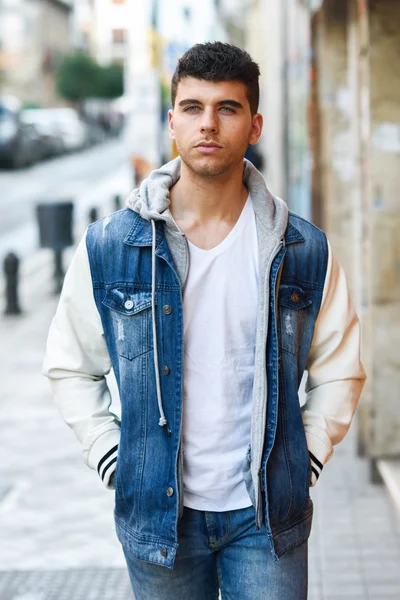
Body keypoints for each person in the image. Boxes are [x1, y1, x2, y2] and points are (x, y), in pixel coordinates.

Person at [43, 42, 366, 599]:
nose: (208, 124)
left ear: (255, 125)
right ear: (172, 121)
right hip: (159, 515)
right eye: (192, 108)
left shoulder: (302, 250)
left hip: (266, 515)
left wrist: (304, 460)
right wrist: (113, 458)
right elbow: (70, 367)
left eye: (228, 108)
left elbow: (340, 369)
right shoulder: (113, 245)